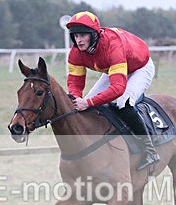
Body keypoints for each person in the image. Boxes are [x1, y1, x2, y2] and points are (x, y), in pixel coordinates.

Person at [66, 11, 159, 171]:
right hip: (115, 68)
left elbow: (117, 88)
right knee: (86, 105)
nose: (78, 40)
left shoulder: (112, 45)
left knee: (124, 103)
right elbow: (75, 82)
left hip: (140, 67)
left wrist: (87, 103)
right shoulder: (75, 53)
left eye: (83, 35)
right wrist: (76, 99)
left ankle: (150, 150)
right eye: (75, 36)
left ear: (94, 35)